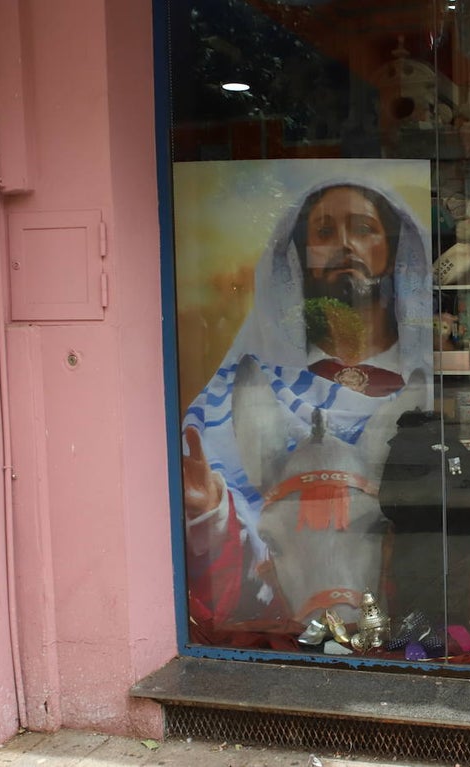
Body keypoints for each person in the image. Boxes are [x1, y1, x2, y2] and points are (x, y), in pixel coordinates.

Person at [179, 175, 432, 646]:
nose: (344, 244)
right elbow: (228, 548)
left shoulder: (429, 383)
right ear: (298, 260)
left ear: (395, 251)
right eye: (323, 232)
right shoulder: (230, 399)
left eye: (362, 227)